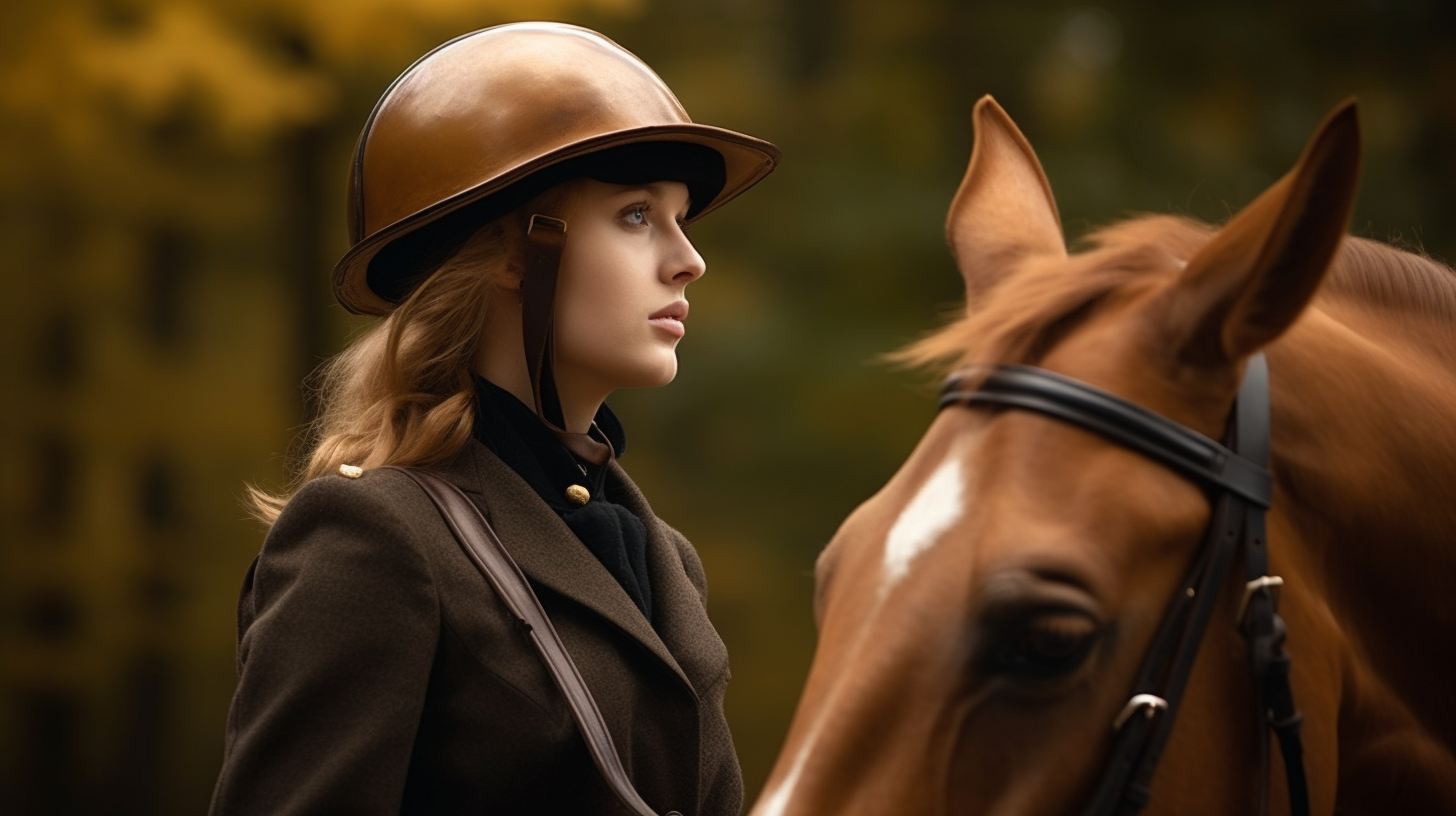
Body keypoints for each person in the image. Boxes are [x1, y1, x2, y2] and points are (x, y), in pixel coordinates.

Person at [208, 22, 779, 816]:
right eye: (637, 215)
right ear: (516, 254)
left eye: (682, 218)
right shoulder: (374, 536)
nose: (690, 258)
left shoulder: (664, 559)